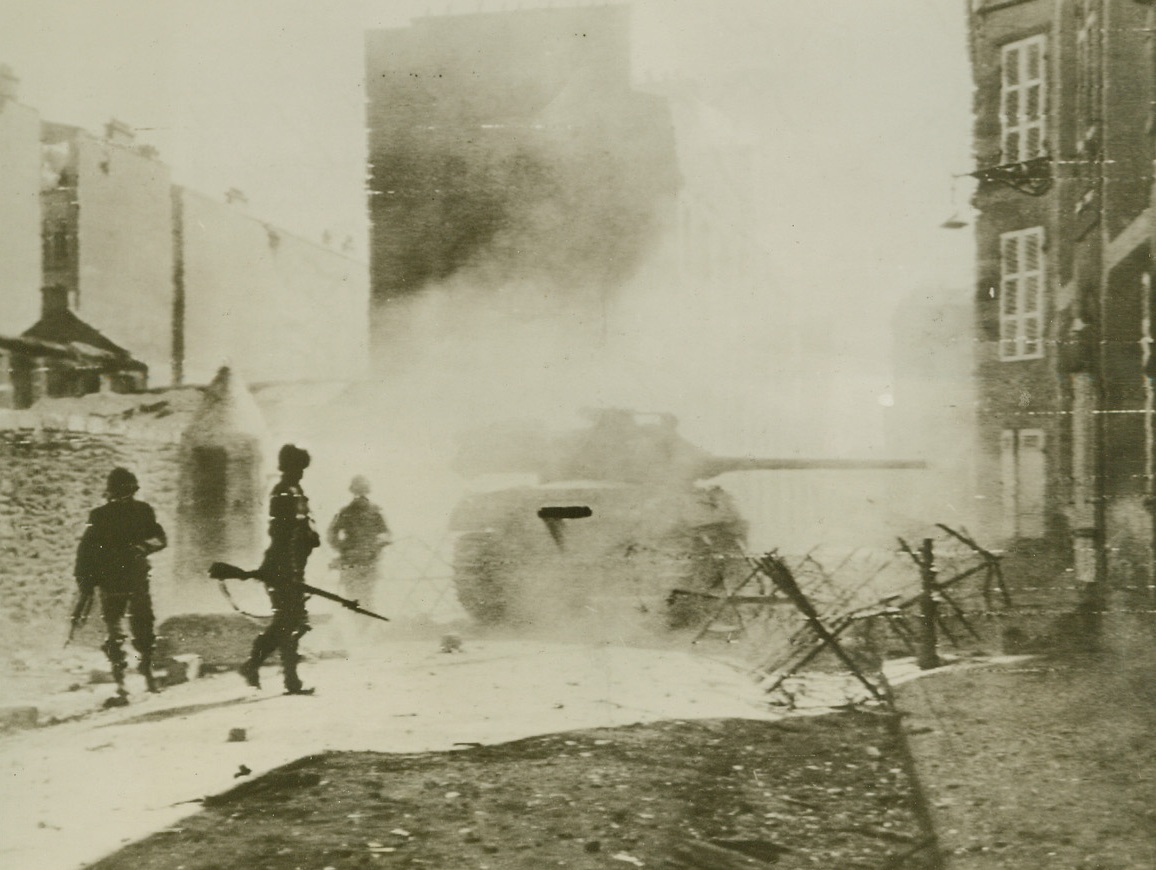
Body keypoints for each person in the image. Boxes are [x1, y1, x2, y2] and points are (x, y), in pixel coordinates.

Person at [74, 467, 167, 706]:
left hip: (132, 578)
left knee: (140, 626)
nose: (123, 497)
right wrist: (86, 581)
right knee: (118, 630)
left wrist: (143, 548)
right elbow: (87, 551)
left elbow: (159, 539)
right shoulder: (100, 515)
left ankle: (143, 675)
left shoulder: (142, 511)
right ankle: (122, 683)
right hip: (114, 579)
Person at [239, 444, 321, 695]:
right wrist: (290, 571)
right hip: (282, 565)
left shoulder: (296, 490)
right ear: (289, 468)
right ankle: (284, 678)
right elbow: (281, 534)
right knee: (288, 622)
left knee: (290, 622)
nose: (301, 473)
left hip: (293, 566)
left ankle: (256, 667)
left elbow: (303, 529)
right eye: (298, 468)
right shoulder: (283, 492)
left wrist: (310, 537)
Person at [327, 475, 392, 613]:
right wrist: (343, 548)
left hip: (369, 562)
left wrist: (377, 546)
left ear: (367, 491)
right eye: (358, 491)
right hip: (352, 563)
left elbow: (387, 534)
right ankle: (359, 630)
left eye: (363, 491)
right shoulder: (345, 512)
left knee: (367, 599)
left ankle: (364, 630)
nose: (361, 495)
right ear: (354, 492)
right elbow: (331, 533)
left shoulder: (375, 512)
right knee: (354, 600)